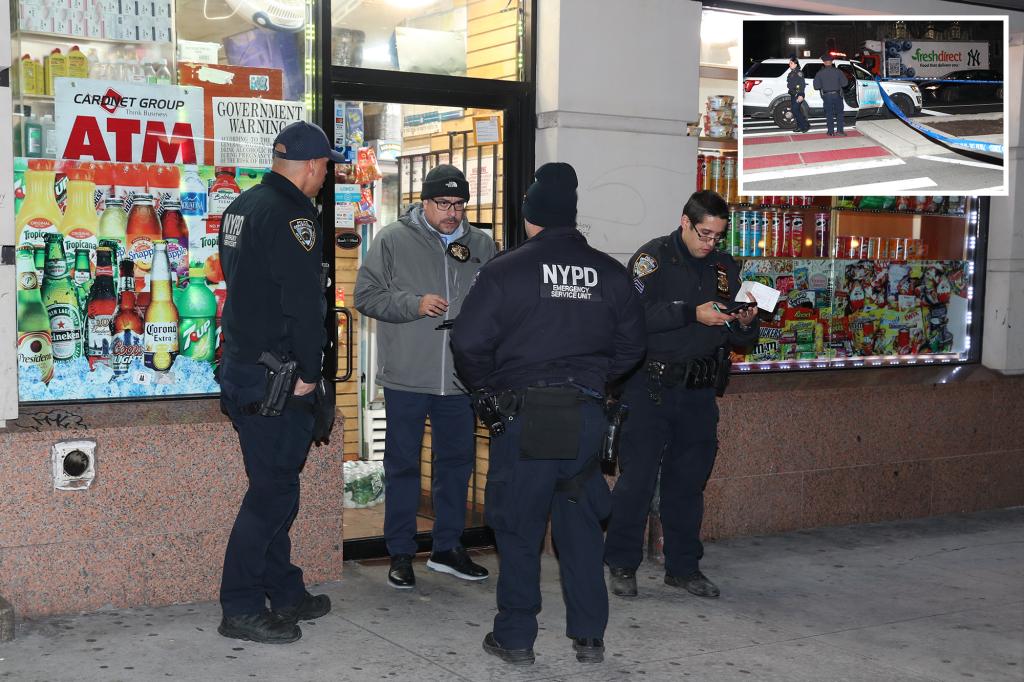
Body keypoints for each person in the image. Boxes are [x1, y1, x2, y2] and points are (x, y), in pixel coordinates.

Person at [451, 162, 646, 666]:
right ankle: (589, 637)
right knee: (579, 526)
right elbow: (633, 347)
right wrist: (597, 381)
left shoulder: (505, 270)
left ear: (529, 217)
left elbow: (469, 341)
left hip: (525, 417)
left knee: (519, 528)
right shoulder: (609, 271)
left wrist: (487, 391)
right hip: (586, 416)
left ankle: (516, 637)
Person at [604, 190, 759, 601]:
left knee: (688, 482)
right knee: (636, 481)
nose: (710, 243)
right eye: (704, 233)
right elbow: (630, 316)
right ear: (685, 222)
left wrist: (743, 321)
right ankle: (621, 563)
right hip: (650, 387)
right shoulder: (652, 258)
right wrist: (691, 312)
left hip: (698, 390)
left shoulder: (725, 268)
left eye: (717, 236)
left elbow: (744, 337)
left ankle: (683, 567)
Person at [217, 121, 338, 644]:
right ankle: (241, 605)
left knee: (275, 487)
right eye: (327, 167)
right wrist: (310, 374)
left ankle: (283, 589)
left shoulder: (241, 206)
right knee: (271, 494)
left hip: (245, 369)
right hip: (278, 379)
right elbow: (303, 303)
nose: (326, 175)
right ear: (313, 166)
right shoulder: (294, 216)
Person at [355, 164, 496, 590]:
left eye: (458, 204)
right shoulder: (393, 239)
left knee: (456, 465)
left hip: (459, 380)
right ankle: (400, 552)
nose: (452, 213)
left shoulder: (482, 245)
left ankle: (447, 548)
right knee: (402, 467)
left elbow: (496, 304)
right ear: (425, 201)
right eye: (443, 204)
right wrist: (413, 304)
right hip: (406, 377)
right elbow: (366, 295)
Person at [813, 54, 850, 136]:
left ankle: (831, 132)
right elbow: (845, 83)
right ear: (832, 62)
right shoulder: (838, 71)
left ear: (824, 63)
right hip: (837, 95)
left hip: (826, 96)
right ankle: (840, 131)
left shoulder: (820, 73)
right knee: (839, 113)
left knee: (829, 114)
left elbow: (816, 87)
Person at [787, 55, 811, 133]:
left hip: (798, 94)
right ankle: (799, 126)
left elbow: (802, 84)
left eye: (791, 63)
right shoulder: (791, 73)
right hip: (793, 94)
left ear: (795, 64)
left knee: (795, 110)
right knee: (795, 110)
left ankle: (805, 125)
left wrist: (800, 94)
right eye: (789, 63)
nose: (789, 64)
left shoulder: (799, 72)